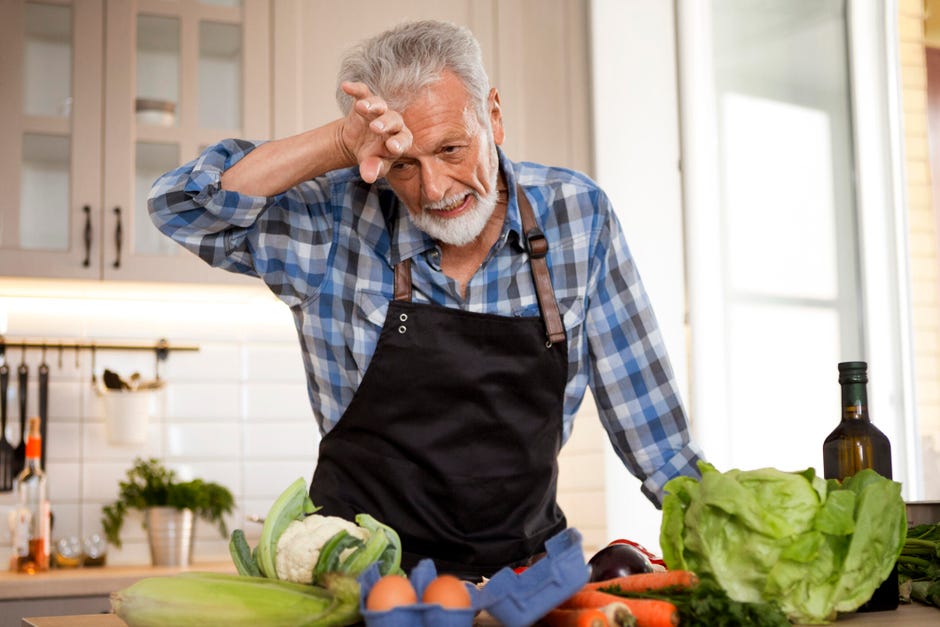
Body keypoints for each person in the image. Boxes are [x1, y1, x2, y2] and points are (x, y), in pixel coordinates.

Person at [149, 19, 703, 580]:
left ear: (493, 116)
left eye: (450, 149)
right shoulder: (331, 223)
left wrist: (726, 540)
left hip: (523, 582)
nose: (434, 189)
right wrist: (337, 142)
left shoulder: (576, 216)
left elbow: (655, 435)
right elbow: (181, 208)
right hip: (358, 581)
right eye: (403, 164)